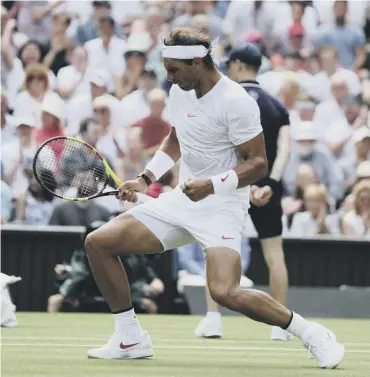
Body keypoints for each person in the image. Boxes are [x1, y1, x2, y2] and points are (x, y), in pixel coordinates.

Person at [83, 28, 344, 368]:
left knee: (224, 292)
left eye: (174, 69)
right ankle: (130, 337)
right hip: (182, 201)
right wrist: (146, 178)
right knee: (98, 243)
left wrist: (212, 185)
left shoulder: (236, 101)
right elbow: (176, 139)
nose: (169, 76)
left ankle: (312, 334)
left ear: (197, 61)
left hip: (222, 206)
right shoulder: (179, 91)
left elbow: (259, 164)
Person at [194, 42, 292, 341]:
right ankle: (279, 325)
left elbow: (223, 147)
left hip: (232, 186)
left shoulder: (227, 100)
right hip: (266, 189)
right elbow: (285, 148)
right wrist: (269, 185)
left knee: (217, 250)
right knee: (274, 254)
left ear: (237, 64)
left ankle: (213, 319)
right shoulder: (277, 105)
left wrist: (240, 184)